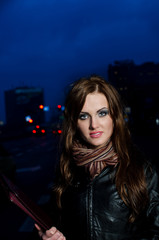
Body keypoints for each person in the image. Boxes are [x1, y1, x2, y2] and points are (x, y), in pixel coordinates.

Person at [35, 75, 159, 240]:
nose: (94, 124)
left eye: (102, 113)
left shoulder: (142, 169)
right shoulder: (67, 171)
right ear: (74, 122)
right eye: (84, 116)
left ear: (114, 116)